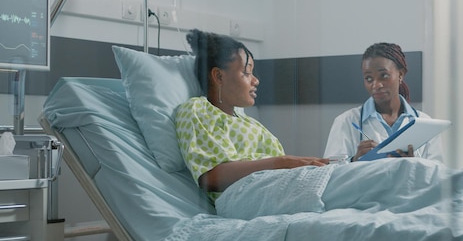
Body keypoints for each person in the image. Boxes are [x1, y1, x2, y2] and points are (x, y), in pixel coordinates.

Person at [175, 29, 328, 203]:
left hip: (275, 188)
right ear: (218, 76)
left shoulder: (248, 122)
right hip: (243, 196)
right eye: (247, 72)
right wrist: (282, 162)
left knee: (344, 176)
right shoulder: (197, 109)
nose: (256, 81)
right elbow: (211, 178)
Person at [323, 42, 444, 163]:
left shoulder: (425, 124)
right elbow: (329, 174)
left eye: (384, 75)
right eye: (369, 78)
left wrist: (413, 165)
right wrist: (354, 161)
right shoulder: (347, 121)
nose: (376, 85)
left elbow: (436, 175)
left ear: (400, 74)